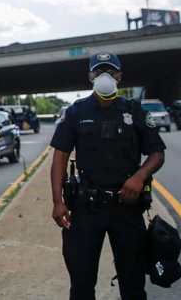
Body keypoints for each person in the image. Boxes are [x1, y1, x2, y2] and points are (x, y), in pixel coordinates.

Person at [50, 51, 166, 300]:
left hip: (127, 207)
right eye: (99, 71)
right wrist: (58, 201)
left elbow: (157, 154)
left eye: (110, 71)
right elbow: (60, 156)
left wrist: (140, 176)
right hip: (85, 207)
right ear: (90, 76)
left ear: (120, 77)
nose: (105, 76)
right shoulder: (75, 112)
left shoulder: (134, 111)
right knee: (81, 282)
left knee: (133, 280)